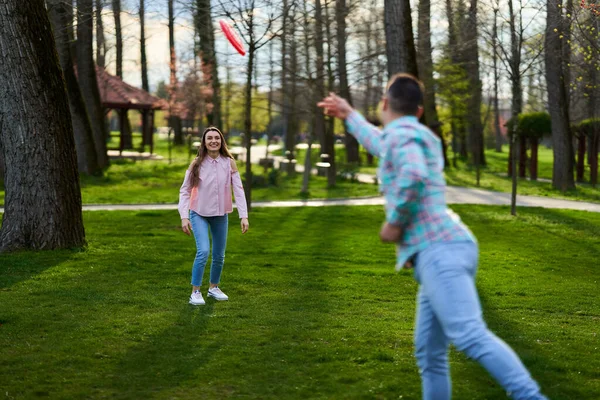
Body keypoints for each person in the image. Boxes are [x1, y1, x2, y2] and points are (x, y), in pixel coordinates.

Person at [317, 74, 547, 400]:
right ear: (420, 111)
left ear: (384, 104)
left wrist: (394, 223)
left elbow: (412, 174)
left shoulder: (401, 136)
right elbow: (379, 144)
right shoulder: (413, 134)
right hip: (444, 249)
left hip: (439, 251)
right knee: (430, 353)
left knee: (469, 335)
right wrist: (348, 115)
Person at [178, 127, 249, 305]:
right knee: (203, 251)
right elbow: (185, 190)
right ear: (204, 142)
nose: (213, 141)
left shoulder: (229, 163)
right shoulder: (196, 163)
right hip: (198, 213)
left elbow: (238, 190)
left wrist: (244, 216)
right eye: (209, 138)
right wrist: (184, 216)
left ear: (221, 141)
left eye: (216, 138)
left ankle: (213, 288)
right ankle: (195, 292)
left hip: (220, 215)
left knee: (219, 255)